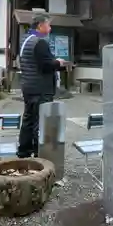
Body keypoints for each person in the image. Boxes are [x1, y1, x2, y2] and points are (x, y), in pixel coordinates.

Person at [17, 13, 66, 158]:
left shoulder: (25, 40)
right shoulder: (40, 42)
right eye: (48, 25)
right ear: (40, 26)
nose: (50, 28)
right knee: (41, 121)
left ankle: (24, 151)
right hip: (41, 88)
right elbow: (45, 66)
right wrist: (58, 63)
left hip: (28, 85)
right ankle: (40, 154)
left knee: (28, 119)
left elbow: (33, 62)